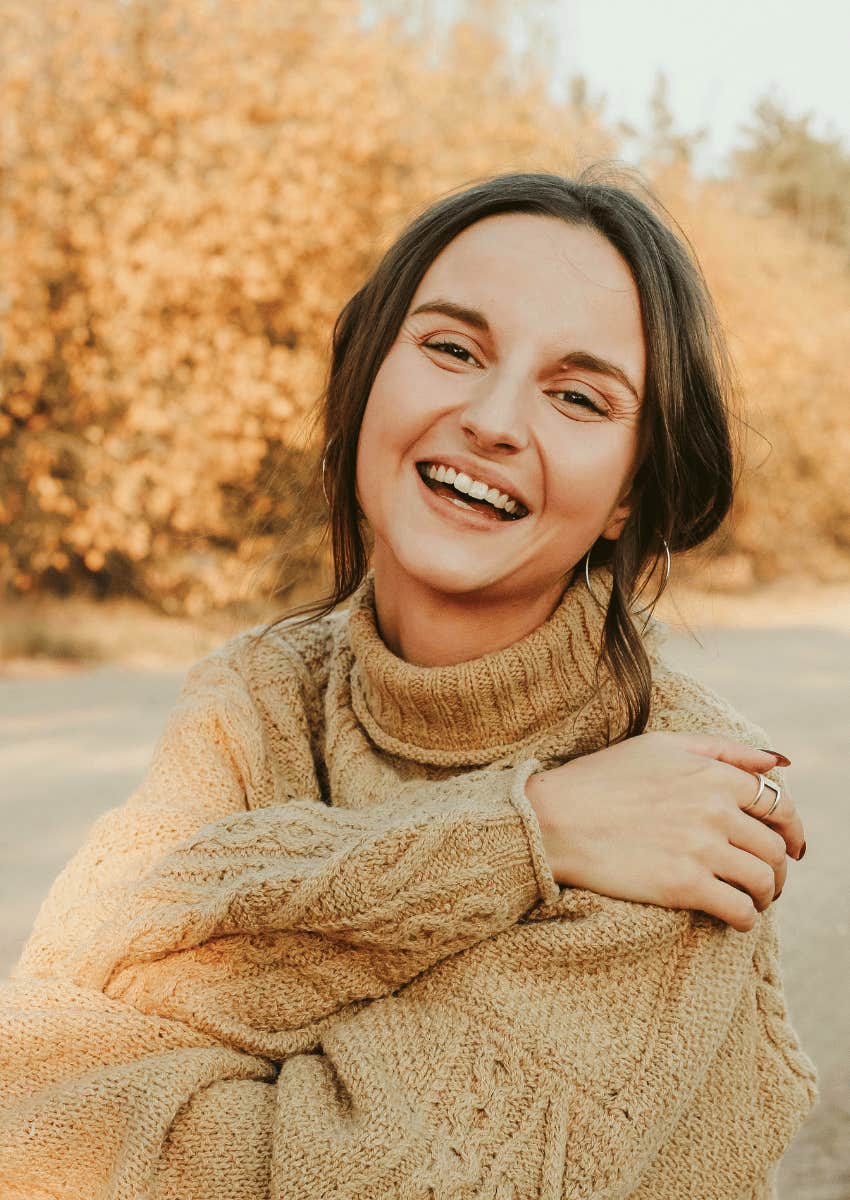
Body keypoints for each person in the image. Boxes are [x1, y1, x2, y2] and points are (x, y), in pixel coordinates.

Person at [0, 169, 816, 1199]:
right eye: (451, 348)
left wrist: (151, 1084)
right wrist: (524, 835)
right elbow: (32, 1050)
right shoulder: (254, 697)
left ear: (628, 496)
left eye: (576, 396)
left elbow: (403, 1180)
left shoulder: (684, 798)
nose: (491, 419)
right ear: (366, 380)